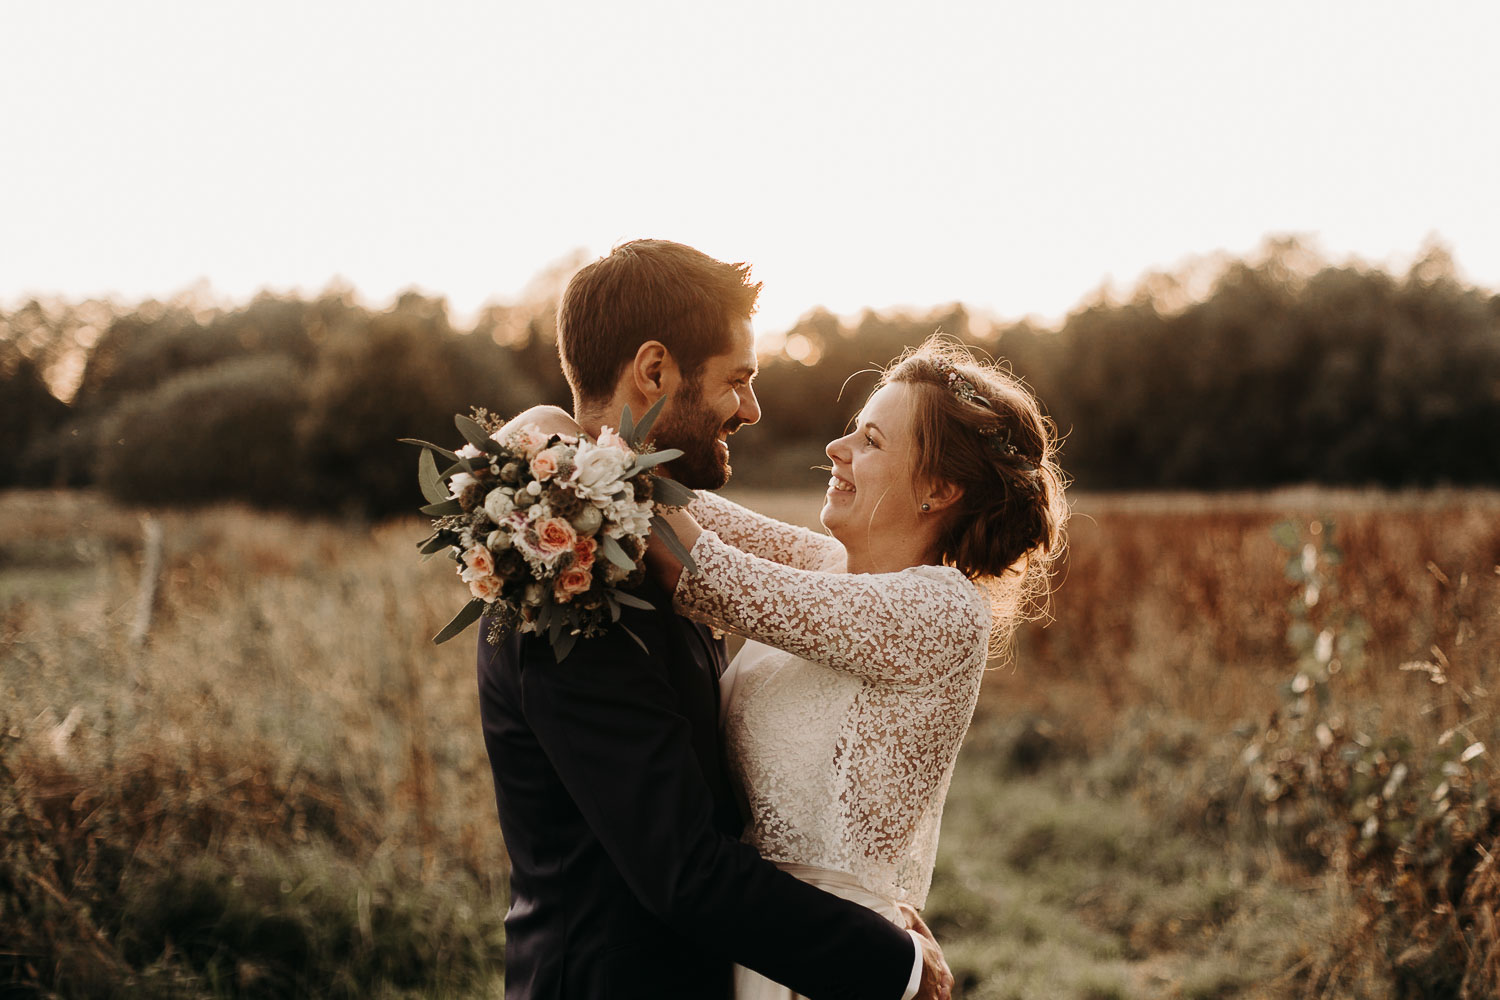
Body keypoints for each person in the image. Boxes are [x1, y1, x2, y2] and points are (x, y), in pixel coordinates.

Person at [476, 239, 951, 1000]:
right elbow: (681, 868)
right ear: (656, 370)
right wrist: (889, 966)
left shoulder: (643, 534)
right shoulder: (566, 580)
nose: (753, 409)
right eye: (738, 380)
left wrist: (541, 427)